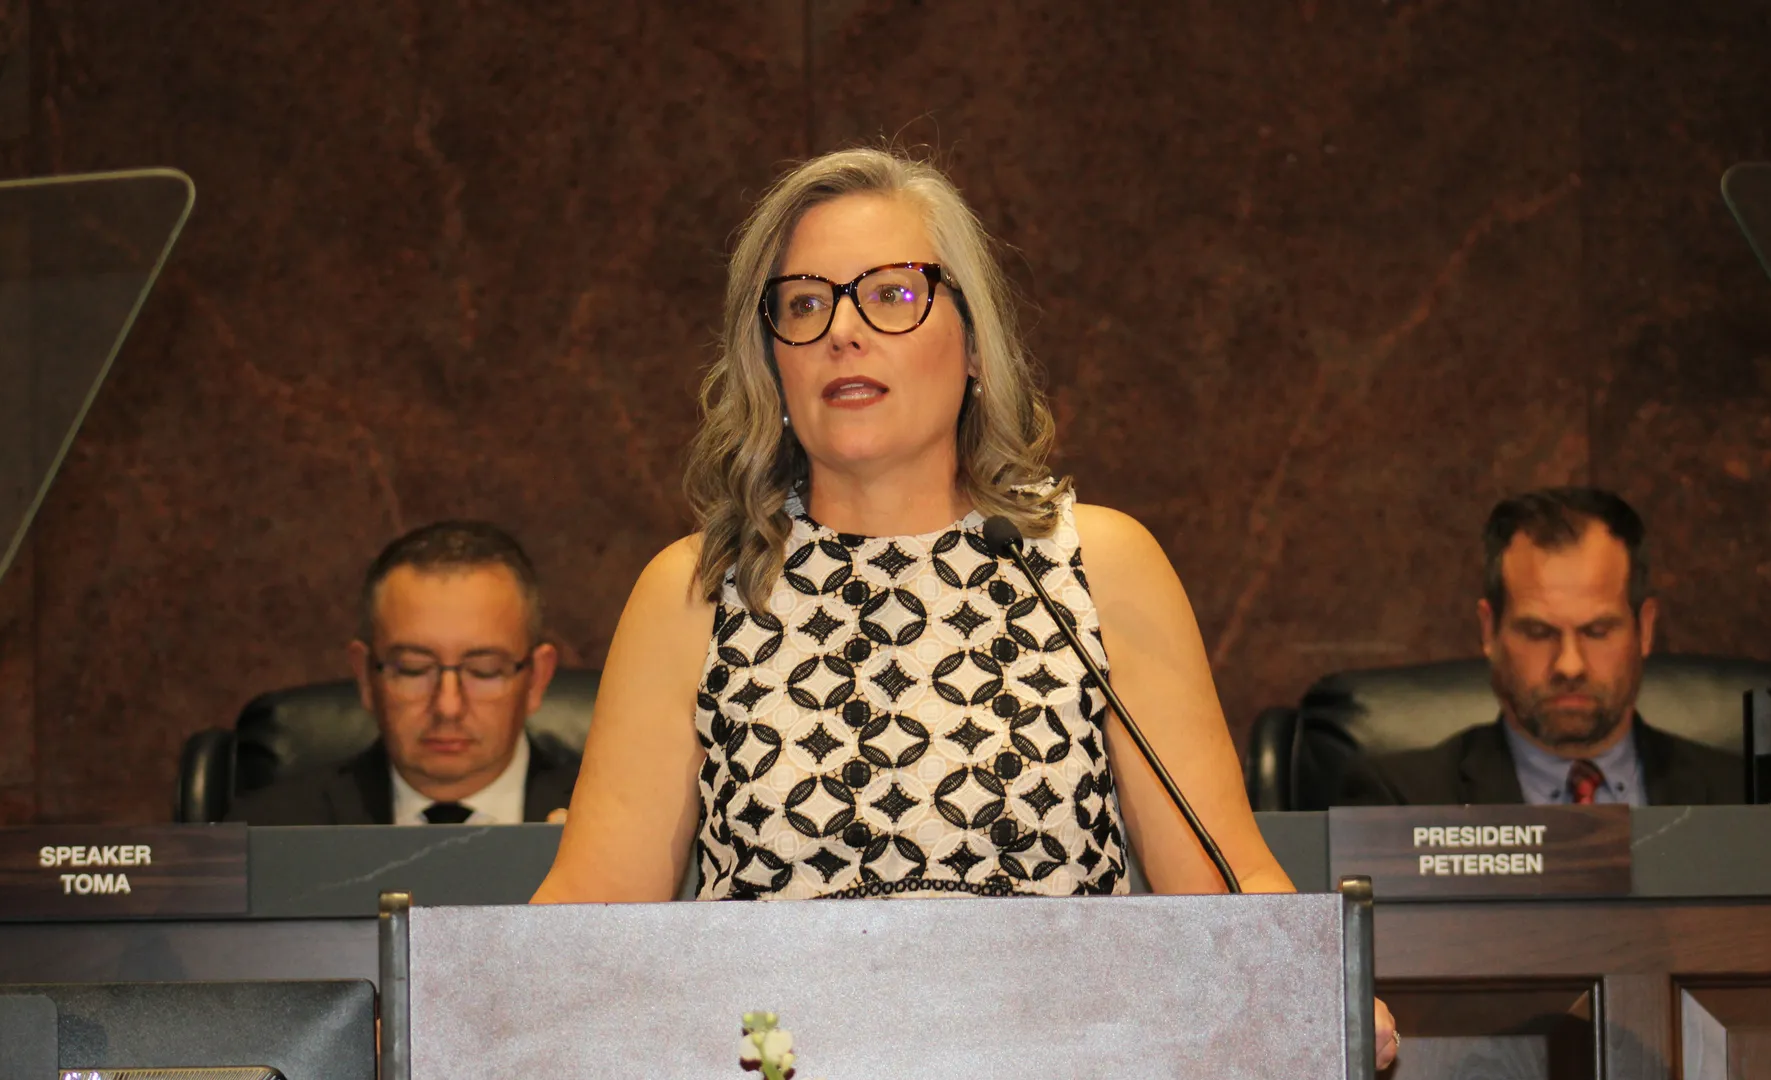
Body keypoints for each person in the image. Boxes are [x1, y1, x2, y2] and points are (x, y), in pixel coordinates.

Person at [530, 148, 1397, 1067]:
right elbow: (590, 923)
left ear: (976, 345)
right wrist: (456, 1003)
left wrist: (1318, 986)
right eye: (804, 303)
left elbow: (1225, 878)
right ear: (770, 363)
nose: (841, 334)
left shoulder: (1091, 565)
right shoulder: (700, 591)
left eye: (893, 295)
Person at [1337, 488, 1743, 807]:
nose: (1569, 666)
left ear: (1646, 628)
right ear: (1489, 630)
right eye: (1538, 632)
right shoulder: (1399, 801)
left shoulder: (1744, 798)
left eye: (1598, 631)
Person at [229, 520, 577, 825]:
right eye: (413, 670)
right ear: (366, 676)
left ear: (536, 679)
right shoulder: (267, 833)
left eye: (484, 671)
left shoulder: (612, 831)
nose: (448, 707)